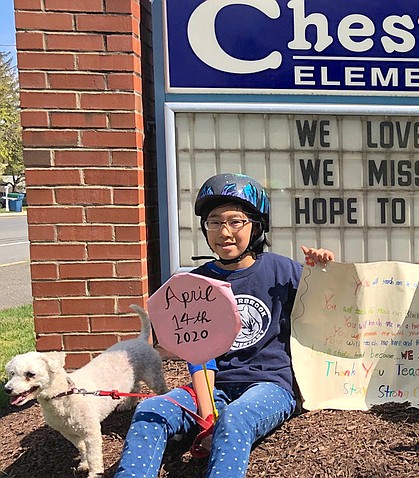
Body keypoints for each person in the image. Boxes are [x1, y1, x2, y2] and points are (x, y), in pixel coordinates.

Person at [114, 173, 334, 478]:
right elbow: (197, 351)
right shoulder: (195, 284)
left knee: (234, 418)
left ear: (256, 225)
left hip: (270, 385)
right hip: (213, 387)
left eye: (235, 221)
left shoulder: (281, 270)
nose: (224, 232)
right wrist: (206, 416)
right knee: (151, 411)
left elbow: (332, 306)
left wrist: (321, 270)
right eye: (214, 222)